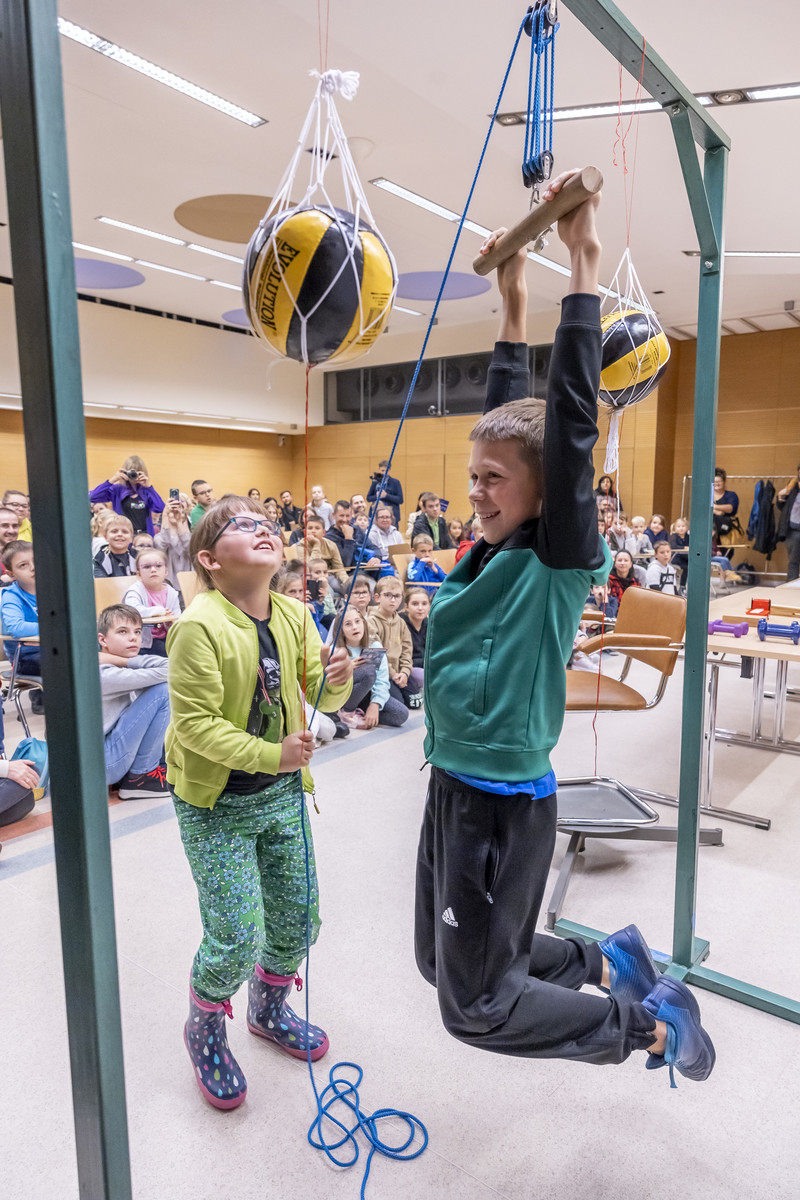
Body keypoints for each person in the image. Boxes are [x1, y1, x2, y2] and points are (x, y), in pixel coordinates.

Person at [414, 172, 714, 1085]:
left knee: (477, 1004)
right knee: (438, 960)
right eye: (473, 476)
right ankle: (605, 960)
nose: (476, 492)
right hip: (453, 785)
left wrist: (582, 263)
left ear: (548, 495)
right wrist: (511, 298)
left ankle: (654, 1027)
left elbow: (568, 427)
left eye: (493, 481)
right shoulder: (490, 546)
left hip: (502, 802)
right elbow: (513, 420)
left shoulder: (555, 556)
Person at [164, 495, 352, 1109]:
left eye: (266, 523)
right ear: (209, 560)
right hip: (216, 806)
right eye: (240, 526)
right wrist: (273, 755)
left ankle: (267, 1011)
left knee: (299, 918)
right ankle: (204, 1029)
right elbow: (195, 726)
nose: (262, 529)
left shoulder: (295, 612)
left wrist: (339, 678)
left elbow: (319, 692)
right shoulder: (198, 625)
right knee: (237, 936)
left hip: (282, 796)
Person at [97, 604, 171, 800]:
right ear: (102, 640)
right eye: (123, 631)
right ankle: (141, 777)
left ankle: (149, 768)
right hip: (103, 765)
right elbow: (173, 670)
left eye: (137, 631)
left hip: (110, 758)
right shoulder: (103, 673)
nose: (133, 638)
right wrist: (126, 662)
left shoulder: (120, 666)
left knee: (159, 687)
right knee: (164, 691)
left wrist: (123, 660)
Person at [335, 607, 408, 729]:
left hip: (367, 695)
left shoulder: (374, 646)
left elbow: (382, 680)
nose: (354, 627)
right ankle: (346, 713)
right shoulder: (336, 650)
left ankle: (363, 715)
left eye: (357, 621)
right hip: (345, 696)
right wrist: (347, 668)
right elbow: (330, 684)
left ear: (364, 623)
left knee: (401, 714)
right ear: (340, 629)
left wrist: (375, 704)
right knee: (368, 672)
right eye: (348, 624)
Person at [1, 540, 44, 714]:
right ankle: (43, 700)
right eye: (23, 565)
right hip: (25, 659)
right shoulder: (11, 596)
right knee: (58, 660)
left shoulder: (51, 590)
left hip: (53, 649)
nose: (33, 568)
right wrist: (53, 627)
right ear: (11, 574)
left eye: (36, 561)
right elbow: (16, 628)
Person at [123, 548, 181, 656]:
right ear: (139, 574)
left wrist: (170, 624)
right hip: (142, 643)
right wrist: (159, 611)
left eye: (158, 566)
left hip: (166, 639)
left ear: (166, 571)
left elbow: (177, 618)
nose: (153, 570)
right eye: (147, 567)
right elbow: (133, 611)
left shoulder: (172, 593)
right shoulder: (135, 591)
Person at [367, 575, 413, 708]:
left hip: (398, 672)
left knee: (415, 701)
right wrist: (393, 674)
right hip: (382, 674)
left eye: (397, 596)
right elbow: (376, 656)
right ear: (377, 598)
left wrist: (405, 672)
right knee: (400, 704)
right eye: (387, 595)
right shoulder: (371, 621)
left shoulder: (401, 622)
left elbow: (407, 650)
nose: (393, 600)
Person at [89, 456, 165, 536]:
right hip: (123, 535)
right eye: (131, 472)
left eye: (137, 473)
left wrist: (148, 487)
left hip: (144, 537)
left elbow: (161, 508)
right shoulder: (117, 490)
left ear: (143, 473)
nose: (133, 475)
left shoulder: (146, 491)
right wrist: (113, 480)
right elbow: (93, 497)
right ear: (125, 472)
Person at [325, 500, 382, 577]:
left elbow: (373, 547)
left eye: (347, 516)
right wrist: (349, 539)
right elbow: (345, 564)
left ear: (351, 516)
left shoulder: (357, 530)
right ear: (334, 515)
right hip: (346, 576)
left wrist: (377, 558)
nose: (344, 520)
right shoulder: (329, 537)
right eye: (341, 515)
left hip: (366, 571)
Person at [293, 514, 348, 587]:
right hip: (312, 580)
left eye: (317, 528)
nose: (313, 531)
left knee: (347, 588)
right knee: (328, 590)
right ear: (305, 532)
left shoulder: (331, 545)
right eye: (310, 528)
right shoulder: (301, 545)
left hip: (329, 577)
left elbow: (339, 568)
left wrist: (347, 582)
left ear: (324, 532)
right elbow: (309, 569)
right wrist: (316, 545)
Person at [155, 494, 192, 593]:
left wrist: (179, 522)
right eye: (173, 504)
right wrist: (165, 515)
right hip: (167, 585)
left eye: (181, 503)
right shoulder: (159, 537)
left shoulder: (192, 536)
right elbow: (162, 545)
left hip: (188, 584)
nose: (176, 507)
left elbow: (190, 548)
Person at [399, 586, 429, 704]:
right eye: (415, 604)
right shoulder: (400, 622)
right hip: (407, 668)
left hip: (425, 665)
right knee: (426, 676)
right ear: (406, 606)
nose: (420, 608)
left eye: (424, 604)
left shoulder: (429, 623)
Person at [776, 465, 800, 582]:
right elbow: (782, 507)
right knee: (793, 561)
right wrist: (780, 496)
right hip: (792, 529)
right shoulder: (792, 488)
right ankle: (791, 585)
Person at [712, 467, 740, 558]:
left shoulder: (731, 495)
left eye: (719, 481)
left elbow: (730, 508)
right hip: (710, 533)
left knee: (725, 556)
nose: (717, 484)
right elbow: (702, 508)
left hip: (726, 532)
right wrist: (717, 511)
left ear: (724, 482)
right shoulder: (708, 495)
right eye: (714, 481)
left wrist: (714, 507)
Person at [367, 460, 404, 527]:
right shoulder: (375, 481)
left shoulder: (395, 482)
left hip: (392, 516)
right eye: (382, 470)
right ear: (379, 470)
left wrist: (386, 495)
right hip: (376, 515)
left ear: (389, 470)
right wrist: (377, 496)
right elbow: (368, 498)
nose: (384, 473)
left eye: (386, 471)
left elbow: (400, 500)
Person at [668, 517, 690, 584]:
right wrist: (684, 548)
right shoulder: (674, 536)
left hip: (686, 558)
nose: (681, 528)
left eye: (683, 526)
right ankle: (682, 585)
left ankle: (685, 584)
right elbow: (673, 546)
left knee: (692, 566)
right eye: (679, 526)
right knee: (686, 568)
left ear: (686, 528)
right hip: (676, 558)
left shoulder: (688, 537)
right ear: (675, 528)